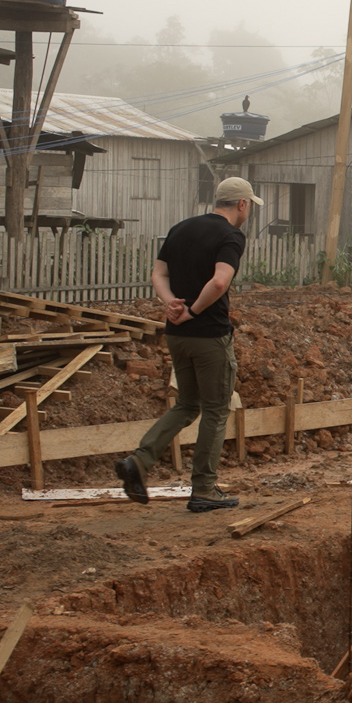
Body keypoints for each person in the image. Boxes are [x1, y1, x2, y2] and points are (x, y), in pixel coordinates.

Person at [116, 177, 260, 513]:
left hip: (176, 334)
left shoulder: (180, 228)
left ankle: (139, 461)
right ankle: (205, 490)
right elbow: (220, 281)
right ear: (242, 204)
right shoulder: (230, 235)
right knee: (215, 409)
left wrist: (172, 305)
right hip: (208, 336)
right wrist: (193, 310)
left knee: (187, 403)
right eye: (249, 205)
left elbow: (158, 274)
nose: (248, 211)